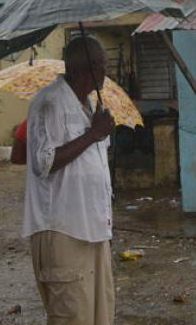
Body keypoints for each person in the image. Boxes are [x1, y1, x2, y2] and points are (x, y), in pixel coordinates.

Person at [22, 36, 116, 325]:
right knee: (72, 316)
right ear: (80, 69)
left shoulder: (89, 104)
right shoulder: (50, 103)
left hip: (94, 229)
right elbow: (44, 162)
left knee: (100, 315)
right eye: (101, 65)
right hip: (63, 232)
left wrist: (98, 129)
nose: (105, 72)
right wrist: (92, 135)